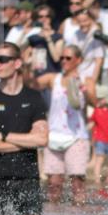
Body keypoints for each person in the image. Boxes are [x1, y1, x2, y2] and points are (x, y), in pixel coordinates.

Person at [0, 42, 48, 215]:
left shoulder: (34, 97)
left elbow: (42, 139)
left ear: (17, 63)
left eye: (2, 59)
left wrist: (3, 136)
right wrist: (26, 141)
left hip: (27, 177)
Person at [34, 45, 95, 205]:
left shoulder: (86, 80)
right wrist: (27, 66)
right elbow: (32, 84)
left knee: (77, 184)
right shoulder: (53, 78)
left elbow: (95, 102)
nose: (63, 61)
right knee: (54, 184)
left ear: (78, 60)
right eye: (62, 58)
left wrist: (84, 89)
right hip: (53, 135)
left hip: (77, 137)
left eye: (68, 58)